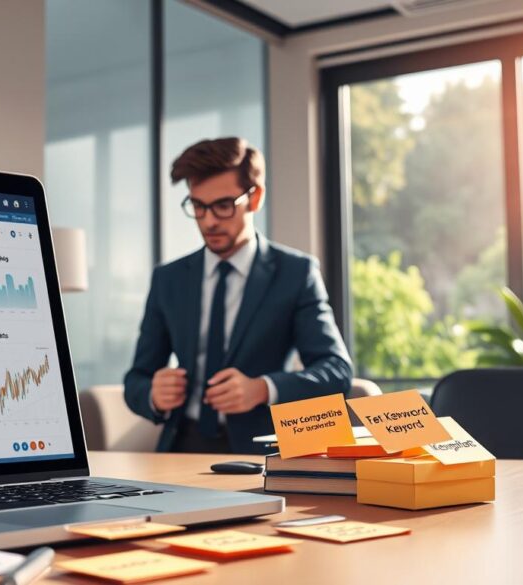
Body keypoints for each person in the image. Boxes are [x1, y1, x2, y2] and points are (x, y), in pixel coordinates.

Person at [123, 137, 353, 454]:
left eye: (222, 205)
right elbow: (137, 378)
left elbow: (336, 371)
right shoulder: (169, 279)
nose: (209, 221)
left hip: (262, 450)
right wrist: (153, 393)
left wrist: (262, 389)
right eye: (198, 206)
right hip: (181, 446)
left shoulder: (296, 273)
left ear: (255, 197)